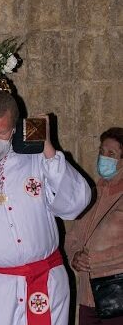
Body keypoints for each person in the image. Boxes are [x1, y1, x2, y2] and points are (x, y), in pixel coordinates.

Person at [0, 90, 91, 325]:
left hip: (44, 281)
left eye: (2, 133)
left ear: (15, 127)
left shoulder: (35, 154)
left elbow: (74, 205)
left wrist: (48, 149)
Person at [65, 127, 123, 324]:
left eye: (111, 154)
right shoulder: (90, 194)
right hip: (87, 296)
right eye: (101, 151)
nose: (103, 157)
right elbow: (72, 237)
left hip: (117, 296)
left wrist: (93, 260)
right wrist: (74, 256)